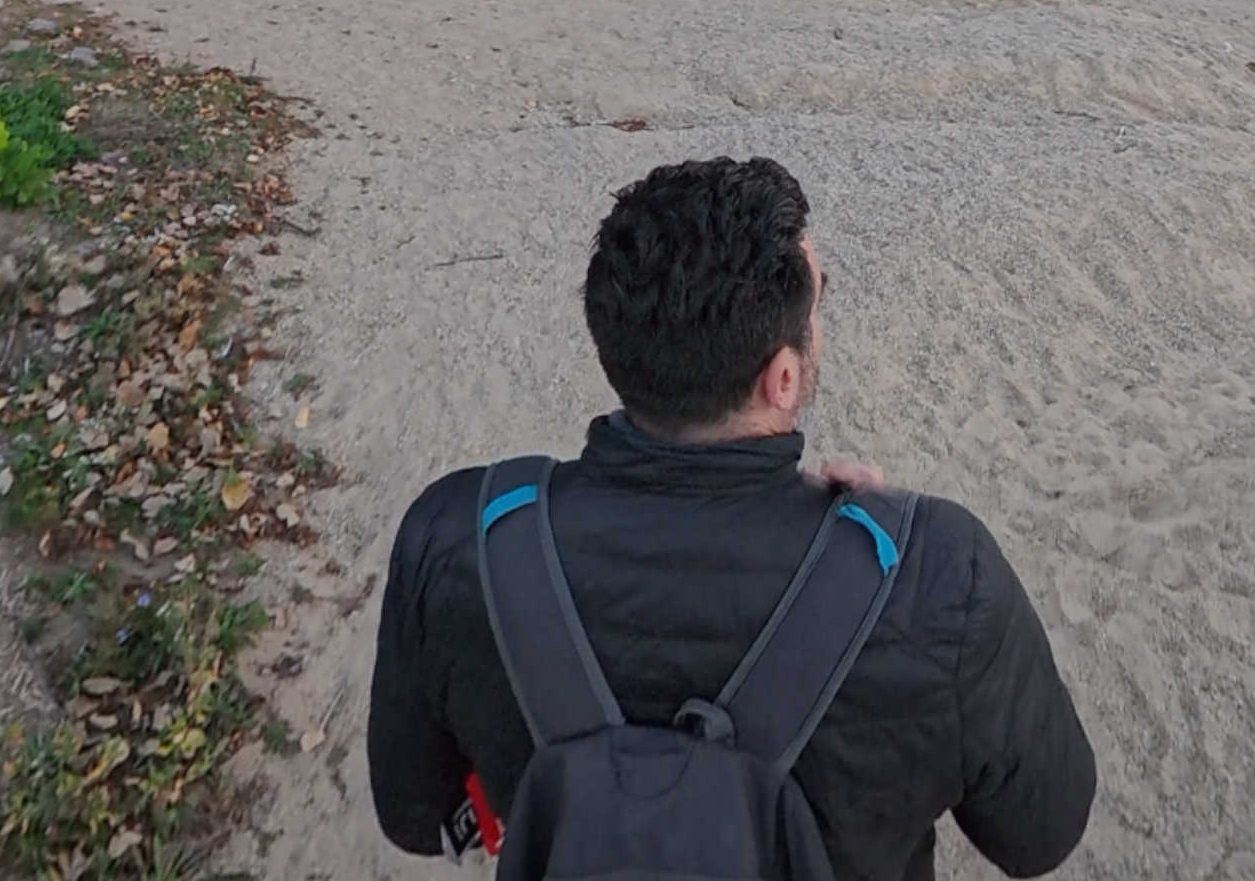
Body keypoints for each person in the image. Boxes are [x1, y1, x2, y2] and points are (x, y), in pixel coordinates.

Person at [367, 155, 1097, 878]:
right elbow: (1041, 835)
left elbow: (417, 818)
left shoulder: (460, 537)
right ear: (783, 378)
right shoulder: (941, 577)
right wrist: (881, 551)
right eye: (821, 299)